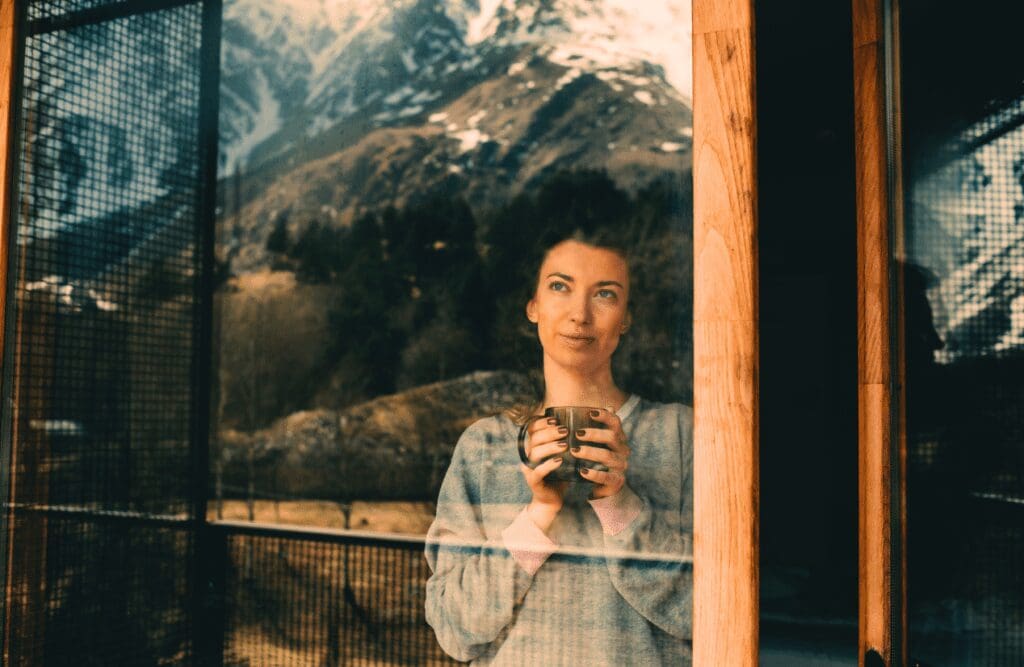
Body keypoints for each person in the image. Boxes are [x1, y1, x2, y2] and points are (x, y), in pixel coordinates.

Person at [425, 231, 693, 665]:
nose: (580, 314)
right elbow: (454, 629)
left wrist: (618, 504)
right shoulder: (484, 448)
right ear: (533, 306)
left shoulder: (682, 435)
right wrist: (538, 516)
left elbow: (711, 612)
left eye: (605, 294)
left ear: (626, 316)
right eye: (559, 286)